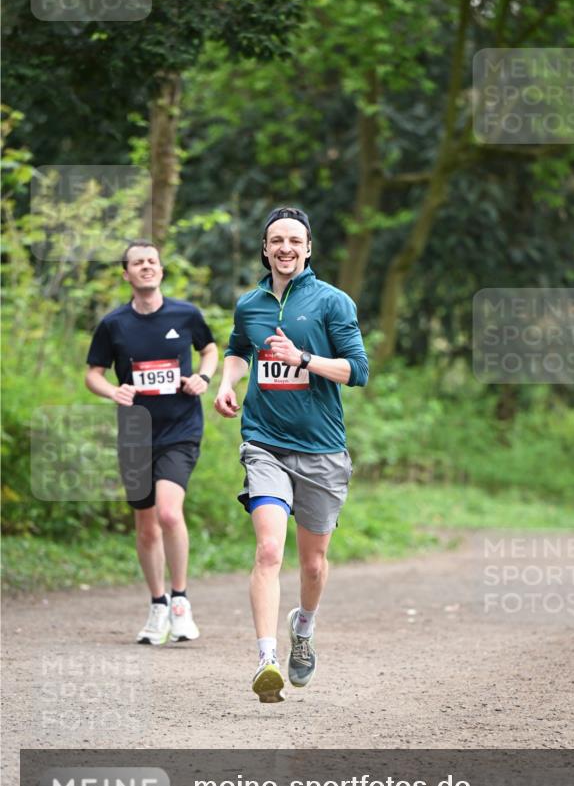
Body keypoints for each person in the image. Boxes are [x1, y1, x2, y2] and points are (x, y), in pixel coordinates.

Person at [215, 206, 369, 703]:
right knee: (267, 550)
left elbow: (358, 370)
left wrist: (302, 358)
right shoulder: (250, 305)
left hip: (322, 449)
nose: (284, 248)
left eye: (294, 241)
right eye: (275, 240)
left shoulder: (332, 303)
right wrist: (226, 383)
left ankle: (302, 627)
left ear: (308, 249)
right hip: (264, 442)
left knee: (314, 564)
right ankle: (266, 659)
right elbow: (239, 349)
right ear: (265, 249)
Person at [85, 240, 218, 645]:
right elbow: (93, 373)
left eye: (152, 261)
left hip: (180, 429)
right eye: (138, 263)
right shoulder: (114, 324)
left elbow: (210, 349)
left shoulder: (186, 314)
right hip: (136, 434)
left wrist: (203, 377)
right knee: (145, 528)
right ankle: (157, 604)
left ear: (160, 270)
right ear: (126, 274)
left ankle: (180, 601)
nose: (146, 267)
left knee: (169, 514)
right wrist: (113, 392)